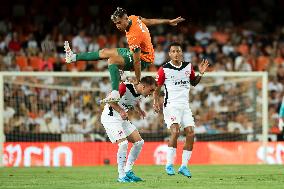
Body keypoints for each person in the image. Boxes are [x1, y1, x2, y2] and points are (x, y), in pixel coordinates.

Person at [64, 7, 184, 103]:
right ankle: (73, 57)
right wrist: (168, 21)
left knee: (112, 61)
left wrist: (137, 79)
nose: (117, 26)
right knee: (105, 52)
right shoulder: (134, 18)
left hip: (144, 59)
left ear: (125, 19)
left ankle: (115, 92)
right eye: (116, 23)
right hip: (136, 52)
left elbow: (137, 62)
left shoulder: (134, 36)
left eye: (119, 23)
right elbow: (148, 21)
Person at [153, 42, 209, 178]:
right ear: (169, 54)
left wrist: (201, 73)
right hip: (171, 105)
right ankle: (169, 164)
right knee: (176, 131)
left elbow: (194, 82)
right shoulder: (164, 69)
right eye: (173, 51)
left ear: (181, 52)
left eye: (178, 51)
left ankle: (184, 166)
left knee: (190, 133)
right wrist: (155, 102)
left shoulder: (188, 67)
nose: (176, 53)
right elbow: (157, 88)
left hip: (185, 106)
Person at [101, 76, 157, 182]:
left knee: (139, 142)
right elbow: (110, 101)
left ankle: (128, 171)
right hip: (111, 118)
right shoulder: (124, 87)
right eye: (151, 90)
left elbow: (133, 100)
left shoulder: (139, 93)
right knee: (123, 144)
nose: (151, 93)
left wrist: (139, 109)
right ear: (144, 86)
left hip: (122, 119)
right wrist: (121, 111)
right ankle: (121, 176)